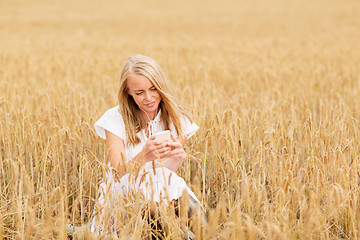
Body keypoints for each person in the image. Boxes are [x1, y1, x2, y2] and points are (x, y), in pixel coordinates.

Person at [90, 54, 205, 236]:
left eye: (153, 89)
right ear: (127, 92)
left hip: (162, 189)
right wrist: (143, 156)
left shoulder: (178, 119)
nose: (149, 98)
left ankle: (200, 232)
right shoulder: (114, 119)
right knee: (158, 211)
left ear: (161, 86)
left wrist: (178, 158)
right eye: (139, 92)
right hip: (123, 196)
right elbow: (115, 173)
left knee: (183, 204)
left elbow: (165, 173)